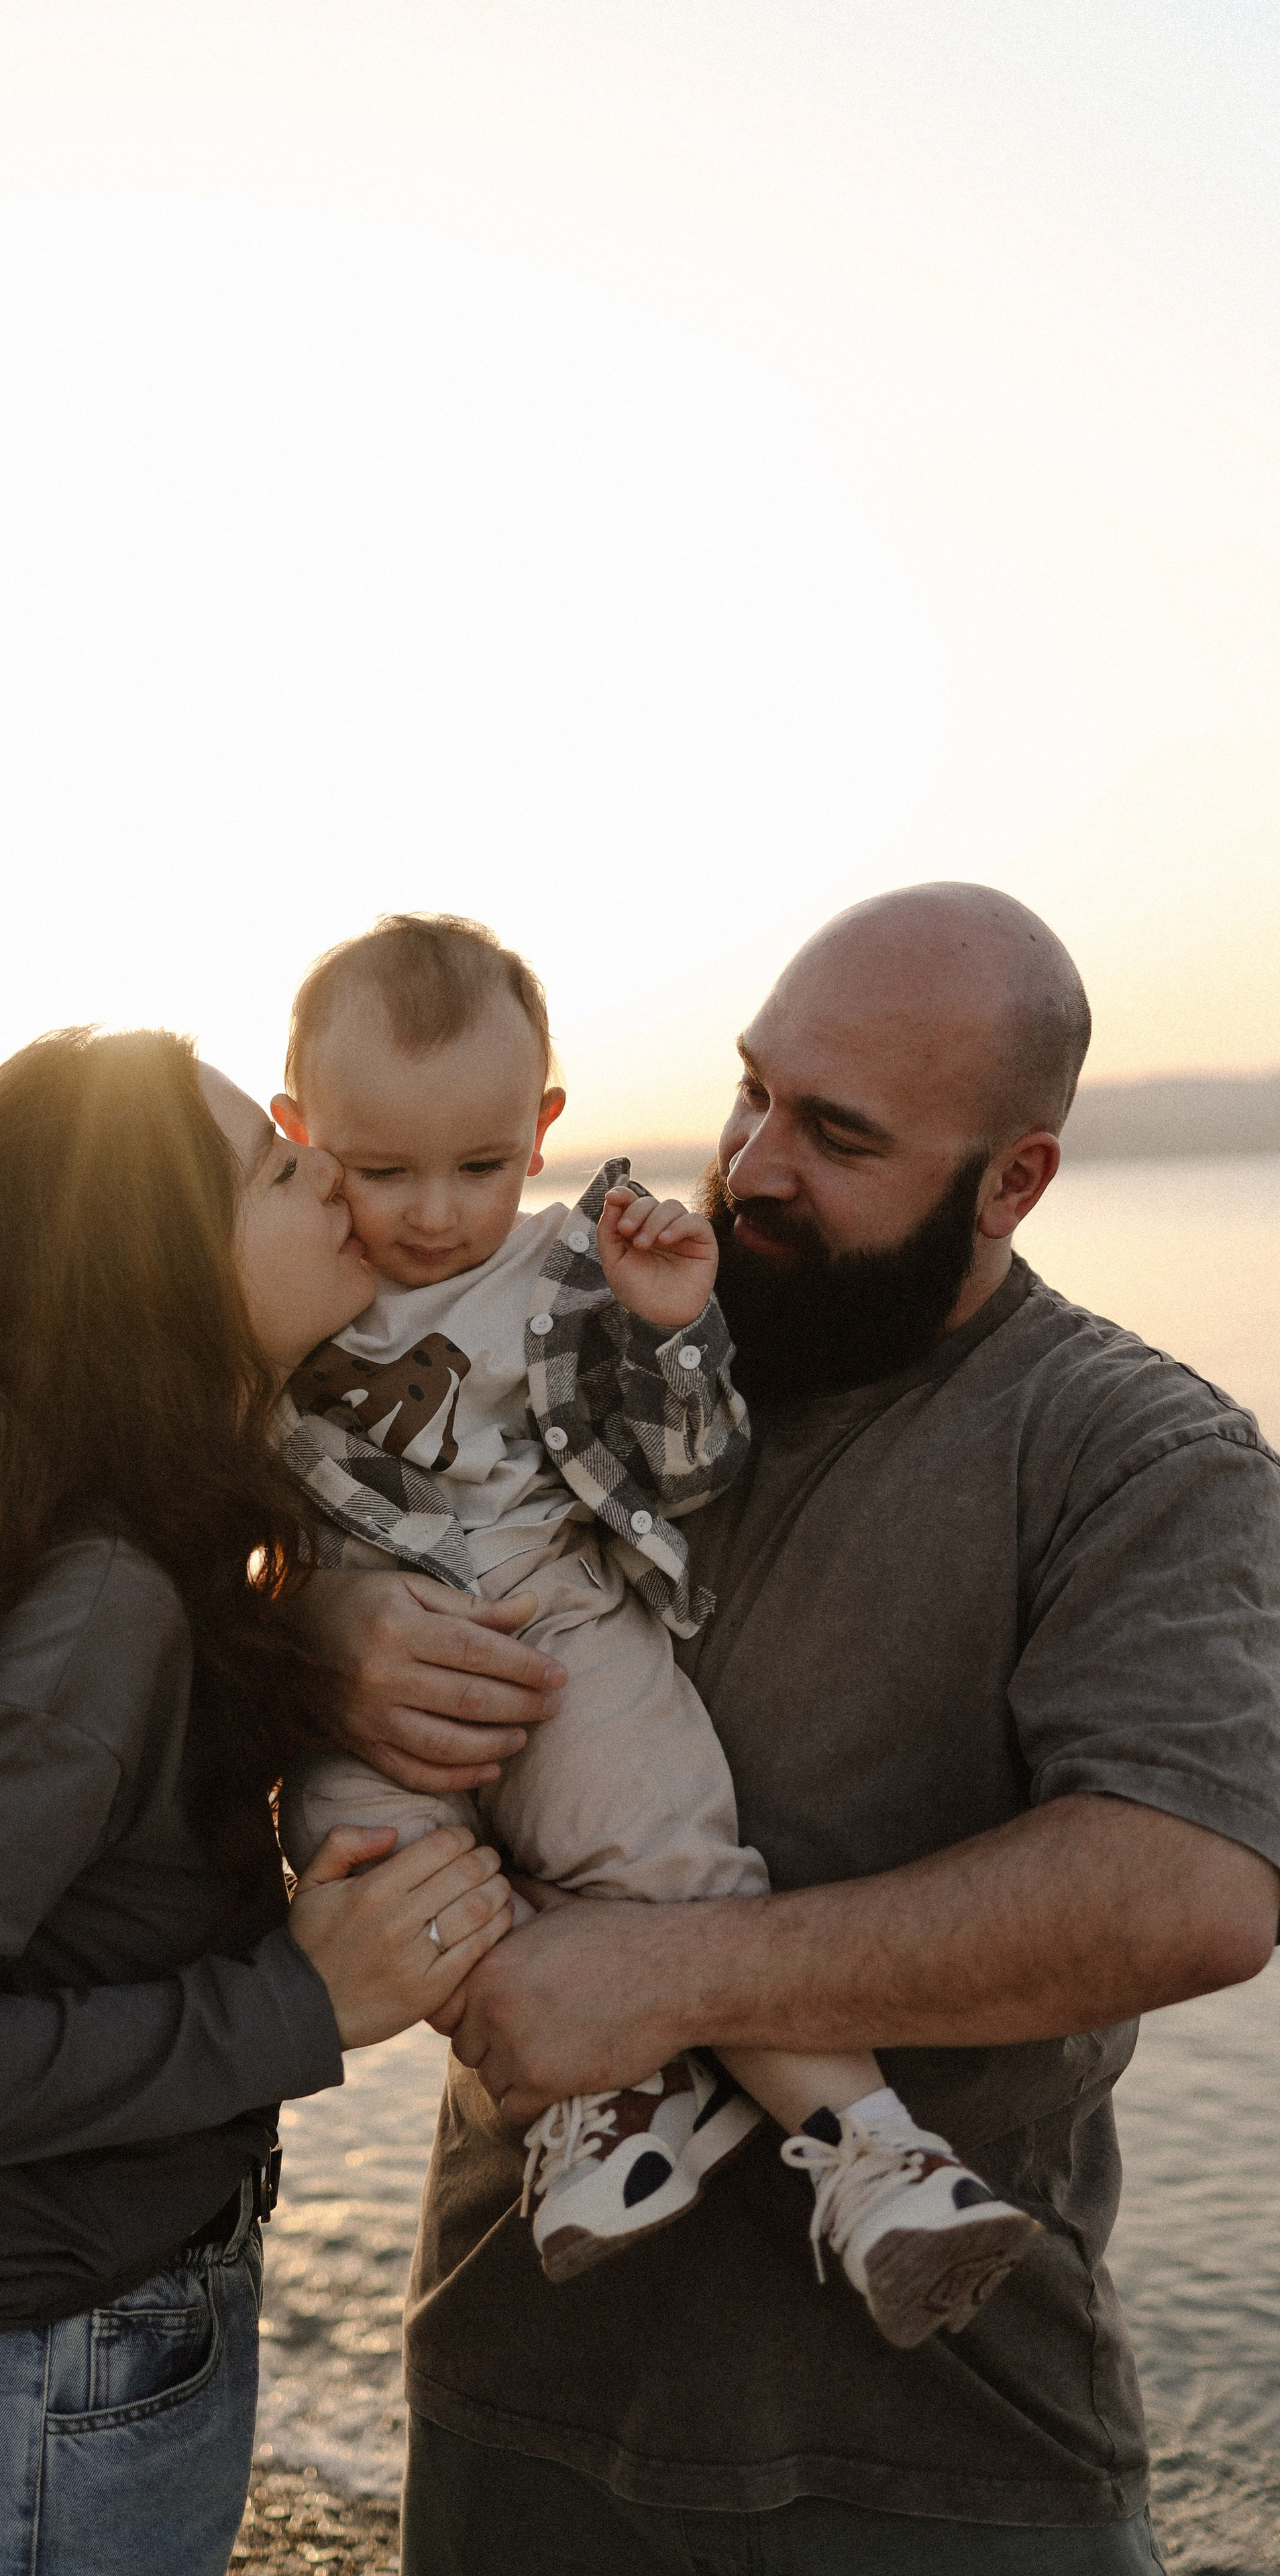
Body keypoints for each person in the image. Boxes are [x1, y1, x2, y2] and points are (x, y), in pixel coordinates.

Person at [299, 886, 1280, 2575]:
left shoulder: (1136, 1454)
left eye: (833, 1133)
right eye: (750, 1092)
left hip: (941, 2460)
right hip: (513, 2402)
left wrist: (674, 1977)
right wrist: (312, 1637)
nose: (749, 1163)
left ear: (1012, 1180)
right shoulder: (600, 1328)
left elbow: (1185, 1890)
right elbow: (285, 1518)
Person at [0, 1027, 513, 2576]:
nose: (338, 1189)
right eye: (285, 1173)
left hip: (37, 2369)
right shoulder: (95, 1604)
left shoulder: (130, 1563)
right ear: (155, 1269)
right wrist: (293, 2000)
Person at [272, 913, 1040, 2338]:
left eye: (481, 1165)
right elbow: (203, 1508)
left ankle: (877, 2160)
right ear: (299, 1130)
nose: (433, 1211)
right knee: (373, 1870)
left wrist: (672, 1323)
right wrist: (305, 1625)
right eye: (381, 1170)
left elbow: (693, 1473)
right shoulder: (279, 1280)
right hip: (367, 1697)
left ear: (543, 1128)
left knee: (669, 1864)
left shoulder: (571, 1267)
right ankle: (598, 2109)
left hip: (562, 1632)